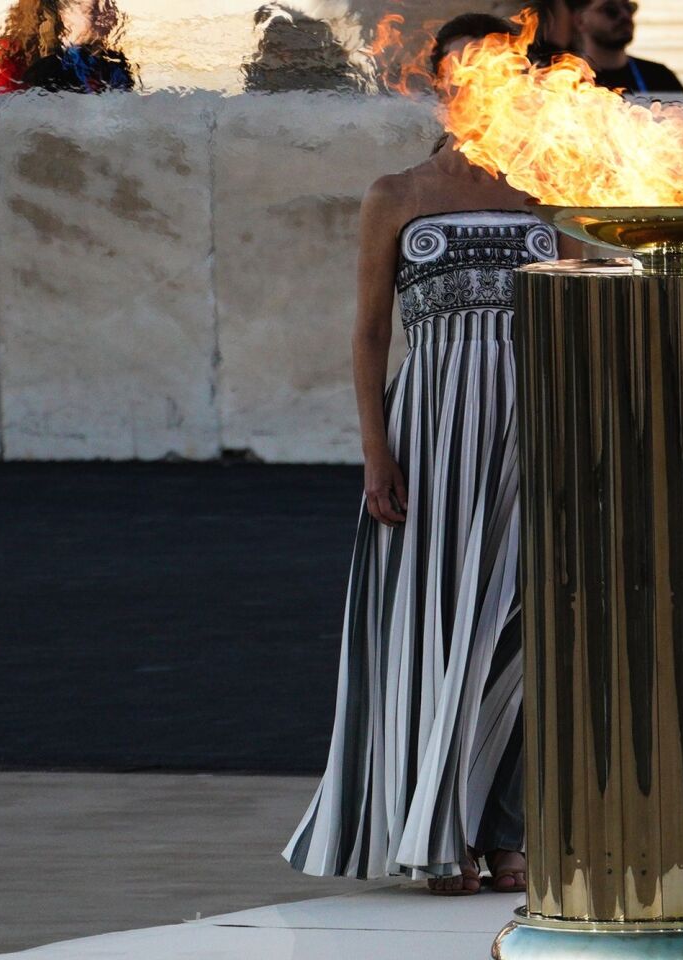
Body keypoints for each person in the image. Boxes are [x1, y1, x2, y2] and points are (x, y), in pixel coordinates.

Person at [282, 13, 582, 896]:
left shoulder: (547, 191)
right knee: (434, 630)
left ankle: (507, 830)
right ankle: (437, 831)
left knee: (520, 634)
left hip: (532, 436)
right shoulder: (396, 195)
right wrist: (378, 455)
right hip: (433, 437)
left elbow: (577, 315)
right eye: (471, 71)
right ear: (441, 84)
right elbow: (371, 334)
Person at [0, 0, 135, 93]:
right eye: (92, 10)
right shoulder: (27, 63)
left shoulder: (115, 64)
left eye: (109, 5)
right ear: (63, 15)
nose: (106, 16)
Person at [242, 0, 378, 93]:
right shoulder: (260, 71)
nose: (278, 51)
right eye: (273, 46)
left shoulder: (329, 71)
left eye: (280, 46)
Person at [568, 0, 683, 94]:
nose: (624, 16)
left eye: (629, 8)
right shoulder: (563, 79)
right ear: (580, 21)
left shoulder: (660, 78)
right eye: (611, 9)